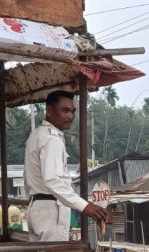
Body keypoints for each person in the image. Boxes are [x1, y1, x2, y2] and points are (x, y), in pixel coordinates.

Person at [24, 90, 109, 242]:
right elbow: (53, 180)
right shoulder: (51, 139)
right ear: (49, 111)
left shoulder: (36, 135)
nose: (70, 116)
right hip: (51, 210)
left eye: (72, 111)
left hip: (36, 208)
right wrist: (85, 206)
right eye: (65, 110)